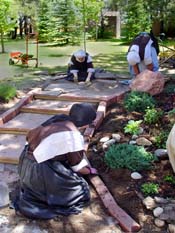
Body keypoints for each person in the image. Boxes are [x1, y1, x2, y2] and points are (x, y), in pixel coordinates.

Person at [14, 103, 98, 219]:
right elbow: (78, 168)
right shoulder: (73, 135)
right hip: (39, 172)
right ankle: (43, 194)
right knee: (81, 190)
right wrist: (91, 170)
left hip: (25, 164)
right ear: (85, 123)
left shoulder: (57, 120)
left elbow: (29, 137)